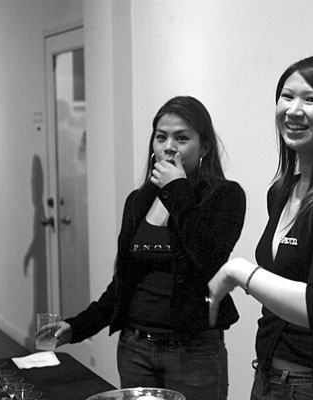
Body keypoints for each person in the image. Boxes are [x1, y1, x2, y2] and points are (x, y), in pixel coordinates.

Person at [39, 96, 246, 399]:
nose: (169, 147)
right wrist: (77, 327)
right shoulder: (138, 201)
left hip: (193, 352)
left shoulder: (225, 196)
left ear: (204, 147)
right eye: (161, 137)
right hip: (135, 347)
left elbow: (207, 258)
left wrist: (177, 188)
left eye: (182, 138)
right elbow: (123, 283)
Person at [207, 55, 313, 399]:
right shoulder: (281, 192)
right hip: (270, 375)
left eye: (311, 99)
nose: (294, 110)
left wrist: (239, 272)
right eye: (287, 96)